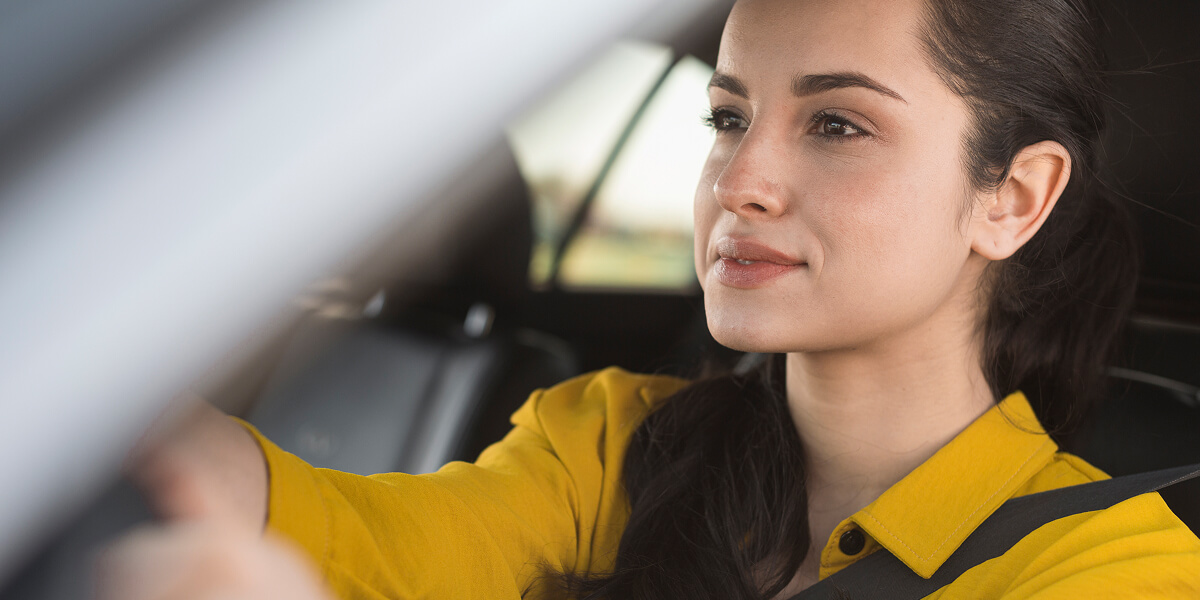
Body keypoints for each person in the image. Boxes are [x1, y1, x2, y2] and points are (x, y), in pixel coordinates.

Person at [95, 0, 1200, 598]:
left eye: (837, 124)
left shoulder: (1121, 570)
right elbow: (340, 536)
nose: (740, 181)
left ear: (1011, 198)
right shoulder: (613, 443)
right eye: (728, 118)